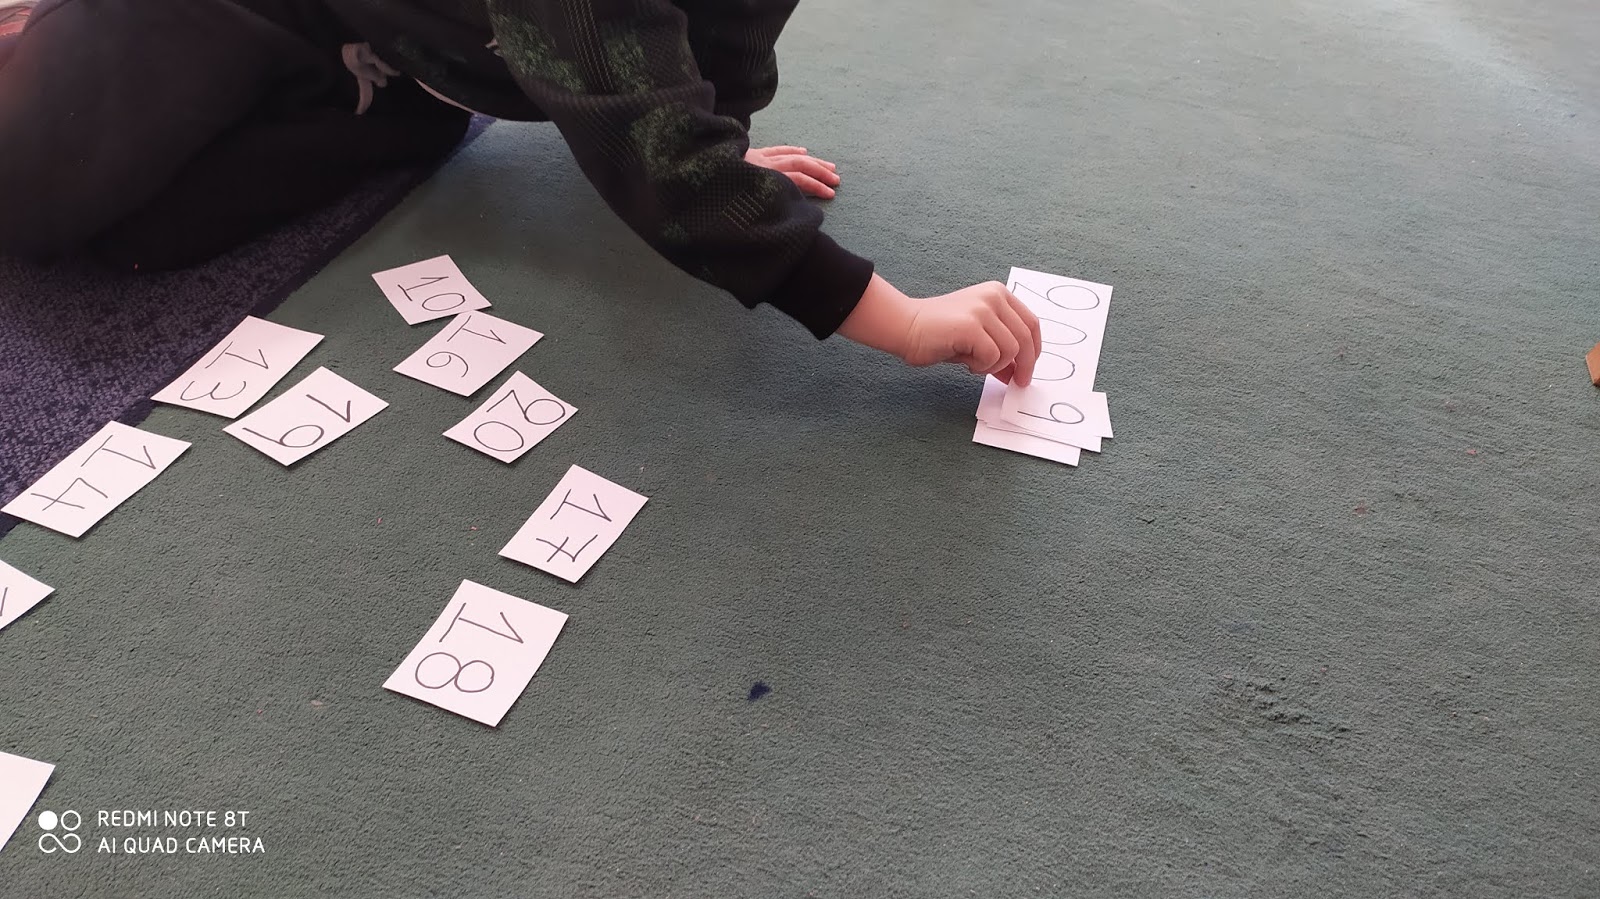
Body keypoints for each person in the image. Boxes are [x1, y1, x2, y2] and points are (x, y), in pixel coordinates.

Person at [0, 0, 1041, 385]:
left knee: (153, 234)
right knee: (37, 199)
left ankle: (400, 75)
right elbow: (657, 152)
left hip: (397, 55)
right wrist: (900, 320)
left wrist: (716, 152)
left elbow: (716, 45)